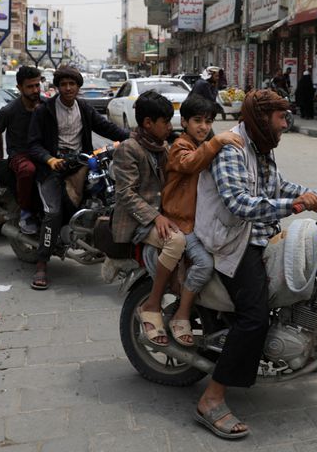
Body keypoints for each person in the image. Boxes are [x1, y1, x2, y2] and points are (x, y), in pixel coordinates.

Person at [193, 89, 317, 439]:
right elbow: (239, 203)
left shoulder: (261, 147)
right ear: (263, 117)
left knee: (311, 275)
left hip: (258, 233)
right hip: (232, 241)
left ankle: (312, 349)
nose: (286, 123)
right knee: (254, 317)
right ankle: (211, 398)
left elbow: (277, 186)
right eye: (281, 117)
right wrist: (294, 206)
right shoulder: (232, 149)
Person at [28, 65, 129, 290]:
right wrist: (49, 159)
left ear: (78, 87)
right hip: (52, 168)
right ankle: (42, 263)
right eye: (63, 84)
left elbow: (107, 128)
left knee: (104, 195)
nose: (67, 88)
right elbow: (32, 144)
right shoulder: (44, 111)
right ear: (57, 87)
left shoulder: (84, 108)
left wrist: (133, 138)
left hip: (80, 166)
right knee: (52, 213)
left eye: (72, 84)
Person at [160, 94, 243, 346]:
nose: (203, 127)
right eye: (197, 120)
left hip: (202, 221)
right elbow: (189, 164)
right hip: (181, 222)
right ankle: (182, 314)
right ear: (184, 122)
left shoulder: (202, 144)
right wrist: (216, 141)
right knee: (205, 264)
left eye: (208, 122)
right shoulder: (180, 147)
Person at [110, 91, 187, 345]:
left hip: (159, 216)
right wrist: (155, 217)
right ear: (147, 123)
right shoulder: (129, 149)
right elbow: (126, 194)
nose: (169, 127)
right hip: (137, 222)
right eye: (165, 122)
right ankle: (152, 304)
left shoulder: (162, 147)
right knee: (175, 241)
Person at [0, 65, 42, 235]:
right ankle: (26, 211)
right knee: (27, 170)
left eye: (37, 85)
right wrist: (0, 154)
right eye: (30, 86)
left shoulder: (45, 106)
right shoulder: (9, 111)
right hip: (20, 154)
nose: (35, 90)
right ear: (19, 88)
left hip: (42, 153)